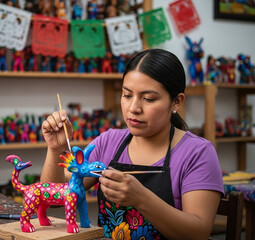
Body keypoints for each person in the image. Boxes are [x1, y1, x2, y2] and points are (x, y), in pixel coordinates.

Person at [40, 48, 224, 239]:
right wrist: (55, 148)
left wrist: (141, 199)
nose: (133, 108)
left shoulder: (197, 152)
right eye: (127, 95)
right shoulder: (108, 142)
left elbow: (199, 233)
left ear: (177, 102)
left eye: (148, 99)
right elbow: (53, 199)